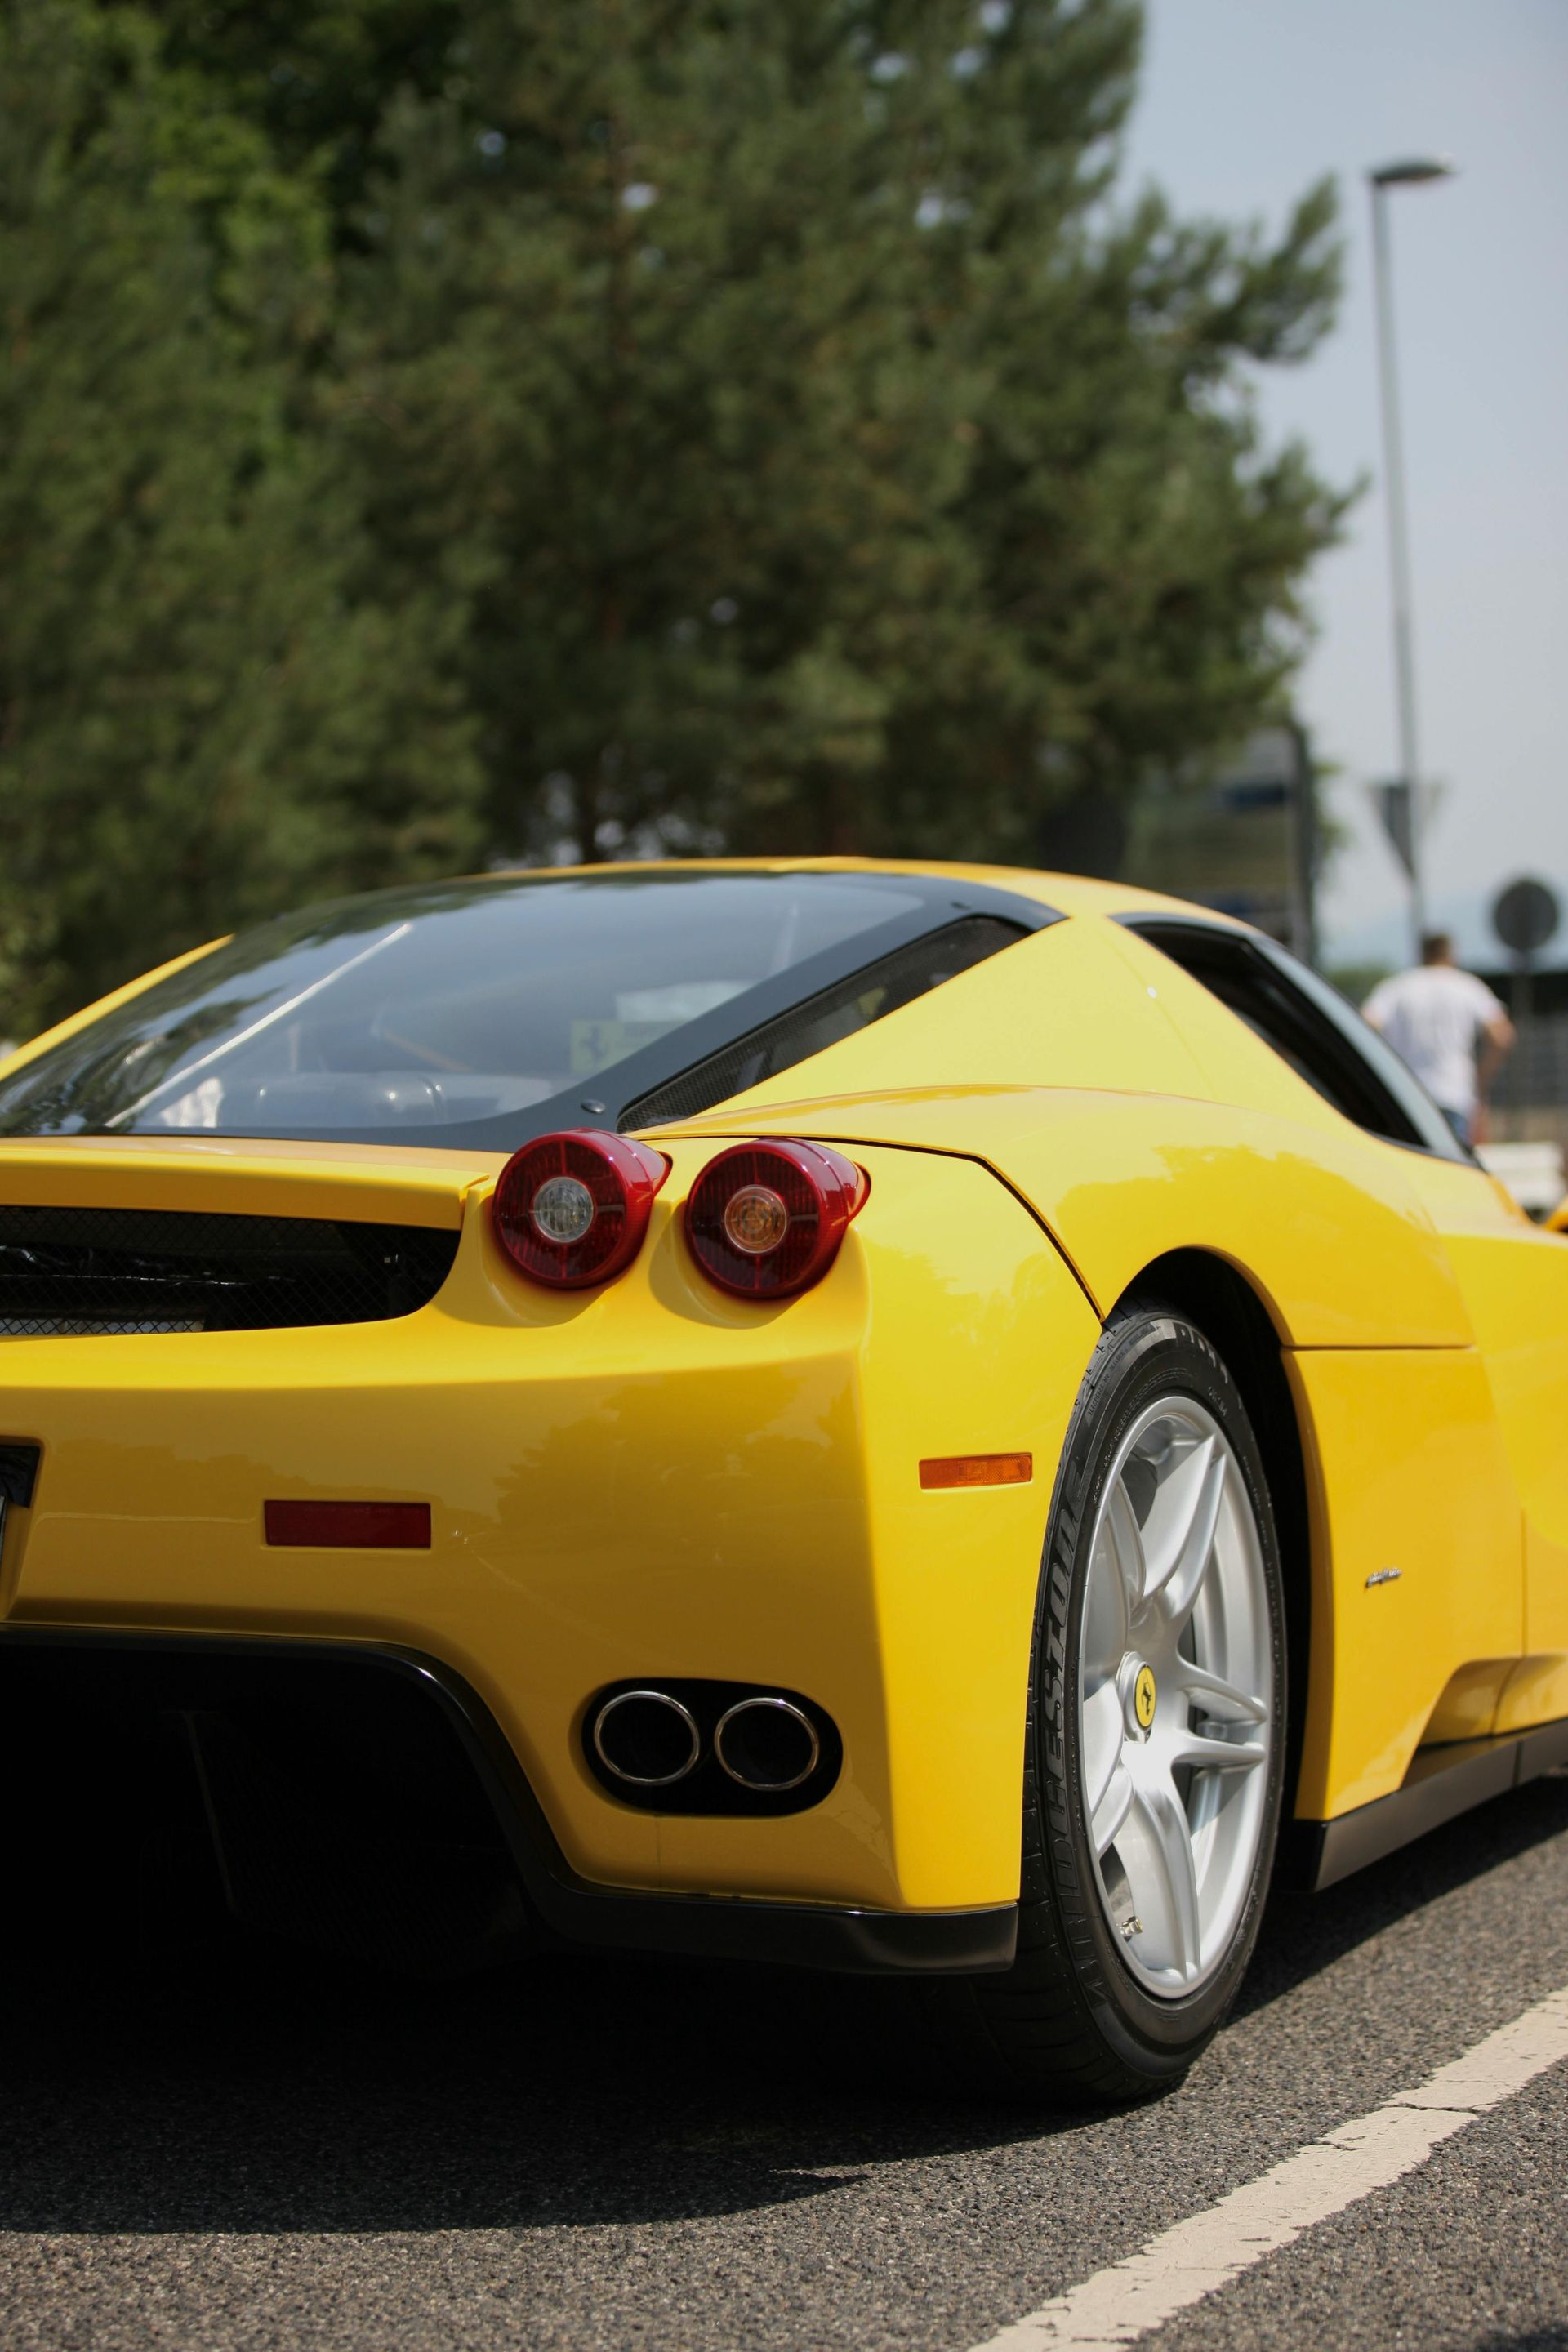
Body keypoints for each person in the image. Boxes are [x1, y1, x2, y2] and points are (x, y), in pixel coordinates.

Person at [1363, 932, 1515, 1147]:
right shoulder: (1468, 986)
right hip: (1455, 1092)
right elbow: (1502, 1036)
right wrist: (1480, 1082)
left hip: (1406, 1093)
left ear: (1422, 954)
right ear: (1451, 954)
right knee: (1452, 1161)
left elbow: (1368, 1023)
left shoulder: (1398, 986)